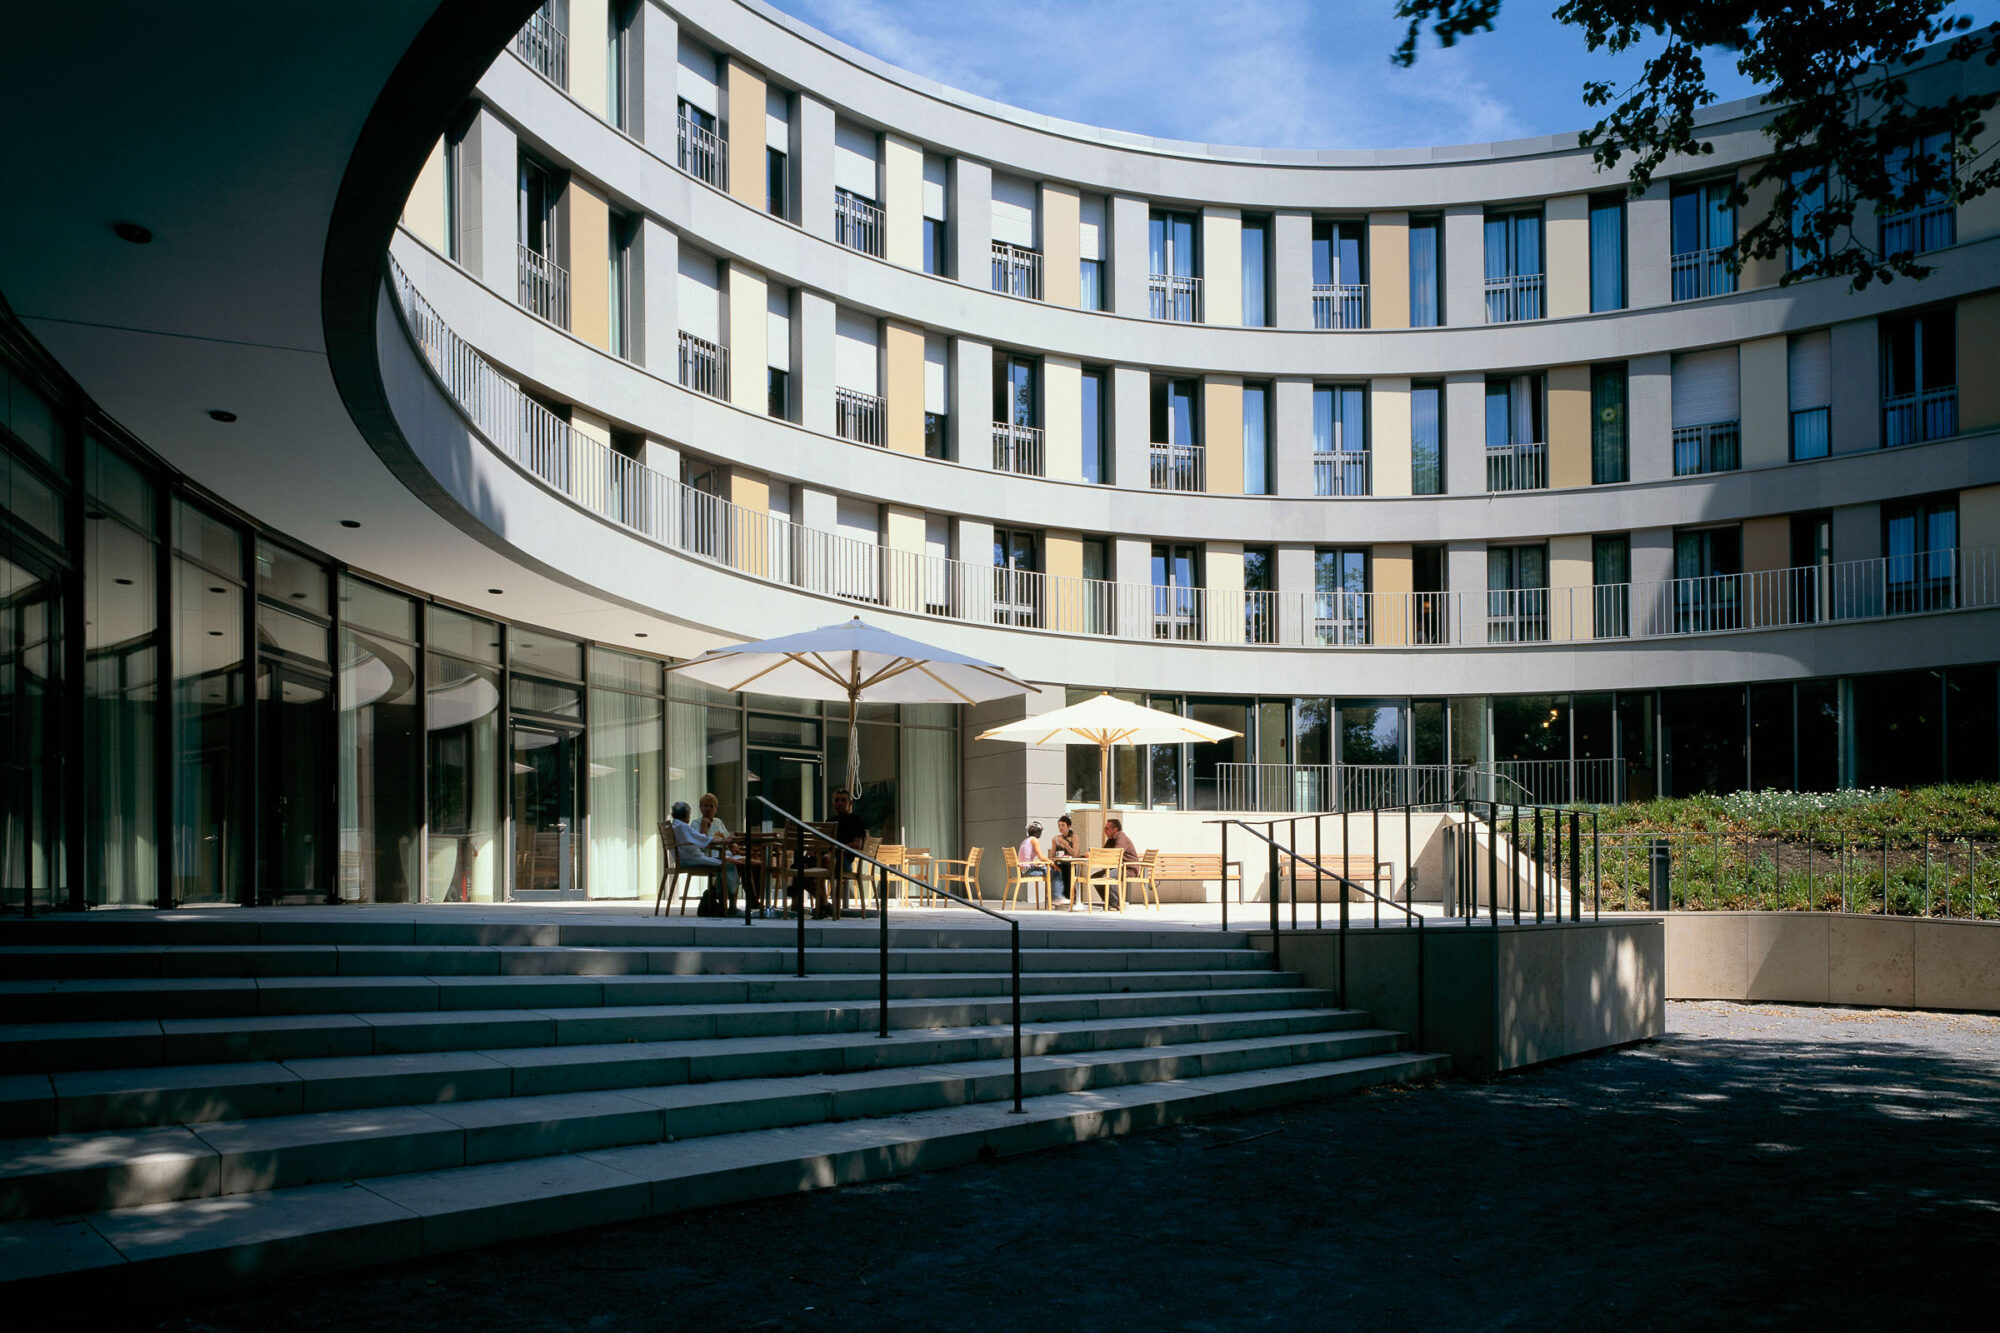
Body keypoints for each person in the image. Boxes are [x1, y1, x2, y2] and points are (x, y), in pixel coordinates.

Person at [697, 792, 762, 911]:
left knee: (758, 865)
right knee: (742, 866)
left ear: (716, 808)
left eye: (711, 806)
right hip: (711, 855)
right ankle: (748, 901)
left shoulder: (718, 822)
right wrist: (704, 825)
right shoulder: (696, 823)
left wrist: (734, 845)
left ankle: (755, 899)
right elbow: (701, 842)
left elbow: (727, 838)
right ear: (700, 807)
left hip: (727, 853)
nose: (708, 809)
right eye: (705, 805)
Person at [817, 786, 870, 921]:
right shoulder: (830, 821)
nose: (839, 803)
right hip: (827, 858)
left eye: (843, 800)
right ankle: (824, 904)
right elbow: (822, 841)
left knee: (824, 861)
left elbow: (857, 844)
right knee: (801, 866)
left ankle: (830, 907)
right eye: (836, 800)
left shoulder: (856, 820)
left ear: (850, 803)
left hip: (844, 859)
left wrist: (836, 848)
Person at [669, 799, 735, 904]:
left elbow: (698, 839)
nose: (708, 809)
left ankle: (719, 896)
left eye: (711, 806)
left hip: (687, 858)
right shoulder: (683, 827)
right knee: (729, 864)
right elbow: (701, 839)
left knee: (729, 859)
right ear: (687, 815)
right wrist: (722, 840)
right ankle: (727, 900)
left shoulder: (675, 826)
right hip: (692, 859)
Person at [1100, 816, 1142, 910]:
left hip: (1129, 869)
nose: (1104, 831)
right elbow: (1103, 852)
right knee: (1095, 877)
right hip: (1119, 868)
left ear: (1115, 829)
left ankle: (1118, 903)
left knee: (1107, 876)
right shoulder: (1111, 839)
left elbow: (1116, 854)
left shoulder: (1121, 838)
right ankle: (1109, 902)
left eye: (1107, 829)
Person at [1016, 821, 1051, 907]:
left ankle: (1051, 901)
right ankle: (1054, 900)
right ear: (1038, 832)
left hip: (1023, 870)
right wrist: (1052, 862)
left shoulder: (1025, 840)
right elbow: (1042, 858)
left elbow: (1028, 858)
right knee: (1053, 871)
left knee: (1049, 870)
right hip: (1028, 871)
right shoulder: (1034, 840)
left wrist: (1037, 864)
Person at [1048, 814, 1079, 906]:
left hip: (1070, 863)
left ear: (1068, 826)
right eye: (1059, 826)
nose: (1060, 828)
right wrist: (1055, 843)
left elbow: (1075, 854)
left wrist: (1066, 845)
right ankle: (1058, 897)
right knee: (1056, 868)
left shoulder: (1074, 837)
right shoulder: (1056, 838)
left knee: (1067, 868)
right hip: (1059, 863)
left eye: (1063, 825)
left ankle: (1069, 897)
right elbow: (1052, 856)